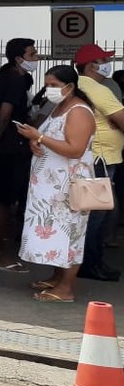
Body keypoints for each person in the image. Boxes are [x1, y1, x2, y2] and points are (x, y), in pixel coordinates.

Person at [15, 66, 96, 302]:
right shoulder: (59, 107)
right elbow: (51, 139)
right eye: (47, 84)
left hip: (69, 186)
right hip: (51, 186)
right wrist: (35, 143)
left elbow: (75, 148)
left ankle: (66, 288)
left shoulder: (79, 111)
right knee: (57, 233)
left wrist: (37, 137)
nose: (49, 89)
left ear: (69, 87)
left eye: (54, 85)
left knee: (70, 234)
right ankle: (57, 277)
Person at [0, 38, 38, 273]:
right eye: (32, 54)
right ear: (19, 58)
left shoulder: (7, 76)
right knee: (2, 202)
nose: (36, 58)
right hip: (7, 147)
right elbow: (5, 115)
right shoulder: (14, 80)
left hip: (7, 146)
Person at [73, 43, 124, 282]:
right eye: (103, 61)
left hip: (92, 157)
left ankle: (88, 262)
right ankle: (91, 264)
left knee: (92, 213)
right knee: (98, 215)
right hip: (102, 159)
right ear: (92, 65)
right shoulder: (98, 89)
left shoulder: (80, 85)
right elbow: (121, 119)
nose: (106, 65)